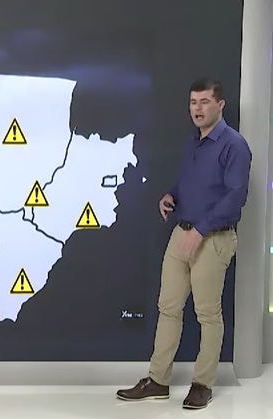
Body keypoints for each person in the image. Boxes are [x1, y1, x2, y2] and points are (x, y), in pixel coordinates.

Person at [116, 77, 252, 410]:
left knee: (207, 314)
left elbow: (235, 197)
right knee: (168, 307)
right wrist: (172, 195)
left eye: (204, 102)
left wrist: (200, 230)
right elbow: (190, 183)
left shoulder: (234, 145)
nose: (197, 108)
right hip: (182, 233)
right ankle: (158, 381)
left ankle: (202, 385)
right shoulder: (192, 143)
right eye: (193, 102)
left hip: (213, 239)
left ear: (220, 105)